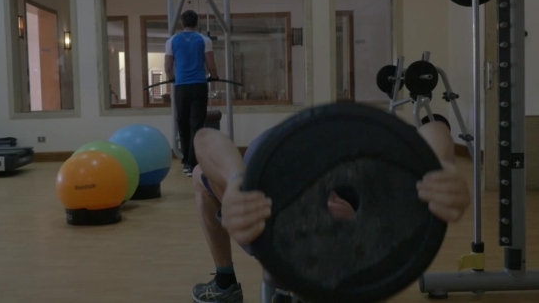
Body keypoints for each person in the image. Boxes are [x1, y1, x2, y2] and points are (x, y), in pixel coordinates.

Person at [190, 120, 471, 303]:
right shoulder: (379, 202)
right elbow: (434, 128)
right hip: (308, 147)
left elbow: (204, 138)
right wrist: (440, 168)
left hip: (283, 163)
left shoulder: (254, 221)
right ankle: (227, 283)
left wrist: (235, 182)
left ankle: (225, 283)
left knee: (202, 176)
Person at [165, 9, 219, 177]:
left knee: (183, 123)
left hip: (181, 87)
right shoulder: (204, 40)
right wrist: (214, 76)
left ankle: (187, 162)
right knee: (196, 124)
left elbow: (167, 67)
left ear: (182, 23)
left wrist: (172, 78)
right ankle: (191, 163)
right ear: (197, 23)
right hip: (199, 86)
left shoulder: (172, 41)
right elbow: (211, 64)